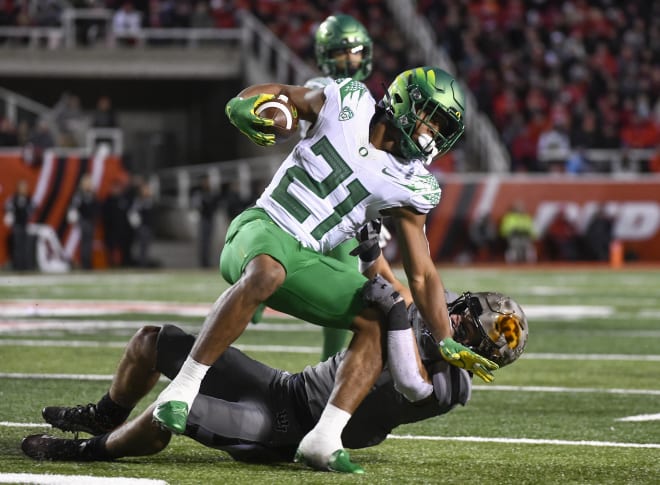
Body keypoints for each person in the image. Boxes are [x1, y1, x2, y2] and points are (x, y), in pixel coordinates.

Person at [152, 66, 497, 474]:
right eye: (432, 118)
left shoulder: (414, 182)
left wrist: (443, 338)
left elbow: (421, 273)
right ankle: (183, 388)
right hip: (264, 226)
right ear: (406, 103)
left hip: (308, 257)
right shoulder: (347, 101)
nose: (433, 133)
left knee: (381, 317)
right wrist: (245, 106)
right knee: (267, 272)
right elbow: (279, 95)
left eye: (443, 127)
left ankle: (324, 437)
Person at [20, 280, 529, 465]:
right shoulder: (426, 315)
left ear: (475, 357)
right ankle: (106, 415)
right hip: (285, 387)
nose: (455, 320)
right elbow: (400, 280)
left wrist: (397, 312)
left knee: (174, 408)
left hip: (291, 429)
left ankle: (86, 452)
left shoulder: (448, 388)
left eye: (467, 330)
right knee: (153, 341)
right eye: (463, 312)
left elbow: (407, 372)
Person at [301, 13, 374, 360]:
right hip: (314, 200)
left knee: (349, 289)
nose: (349, 58)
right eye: (341, 51)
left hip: (348, 202)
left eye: (355, 50)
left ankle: (329, 367)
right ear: (325, 55)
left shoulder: (367, 94)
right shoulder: (319, 87)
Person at [68, 174, 100, 270]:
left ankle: (88, 263)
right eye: (87, 183)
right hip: (83, 221)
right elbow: (73, 207)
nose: (89, 185)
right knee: (84, 243)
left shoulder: (93, 195)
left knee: (89, 243)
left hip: (91, 221)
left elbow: (97, 207)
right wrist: (74, 218)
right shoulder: (79, 195)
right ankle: (84, 263)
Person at [3, 178, 34, 270]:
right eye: (22, 187)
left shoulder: (29, 199)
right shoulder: (13, 199)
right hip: (16, 225)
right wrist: (9, 215)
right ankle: (17, 266)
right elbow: (7, 206)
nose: (24, 190)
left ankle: (26, 266)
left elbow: (32, 209)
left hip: (26, 225)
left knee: (26, 246)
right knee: (17, 246)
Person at [191, 175, 220, 268]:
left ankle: (207, 261)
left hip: (210, 218)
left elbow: (215, 205)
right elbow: (198, 206)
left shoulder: (212, 193)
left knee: (208, 242)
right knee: (203, 241)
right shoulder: (200, 193)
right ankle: (203, 262)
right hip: (204, 219)